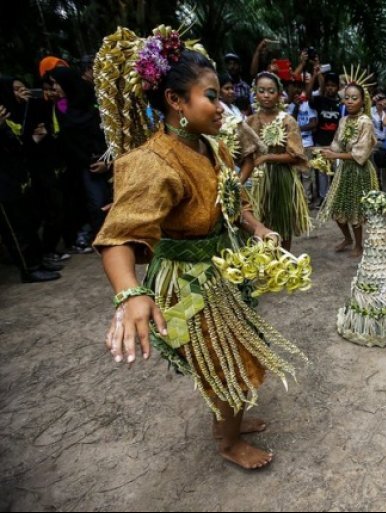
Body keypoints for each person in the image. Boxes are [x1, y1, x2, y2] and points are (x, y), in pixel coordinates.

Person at [93, 27, 306, 470]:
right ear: (176, 101)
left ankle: (227, 423)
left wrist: (259, 228)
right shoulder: (153, 162)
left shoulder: (212, 146)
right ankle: (228, 442)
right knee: (230, 362)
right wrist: (131, 294)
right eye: (211, 95)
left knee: (230, 354)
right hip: (189, 286)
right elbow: (117, 237)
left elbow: (231, 198)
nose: (221, 106)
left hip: (220, 270)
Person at [0, 78, 61, 282]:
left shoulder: (12, 114)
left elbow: (19, 143)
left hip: (17, 176)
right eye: (12, 91)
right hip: (4, 184)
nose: (18, 94)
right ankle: (29, 268)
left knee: (28, 222)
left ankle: (38, 260)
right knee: (16, 228)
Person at [245, 72, 312, 250]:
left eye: (271, 91)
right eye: (261, 91)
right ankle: (266, 258)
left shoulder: (288, 120)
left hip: (283, 177)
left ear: (279, 94)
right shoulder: (250, 121)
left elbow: (296, 155)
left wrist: (267, 157)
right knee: (260, 218)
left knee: (283, 219)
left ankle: (285, 259)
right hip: (258, 180)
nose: (266, 95)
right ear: (255, 93)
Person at [49, 66, 110, 250]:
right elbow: (67, 143)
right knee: (98, 203)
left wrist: (108, 161)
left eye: (56, 84)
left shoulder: (94, 101)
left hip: (109, 158)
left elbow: (108, 132)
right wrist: (90, 162)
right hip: (87, 164)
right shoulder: (60, 108)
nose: (54, 88)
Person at [317, 78, 379, 258]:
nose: (350, 101)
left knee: (355, 210)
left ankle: (358, 245)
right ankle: (348, 239)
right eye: (347, 98)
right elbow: (337, 143)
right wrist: (325, 150)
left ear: (362, 101)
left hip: (359, 172)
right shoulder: (343, 120)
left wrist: (335, 156)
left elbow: (361, 153)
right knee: (336, 209)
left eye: (354, 98)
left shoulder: (365, 122)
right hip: (344, 170)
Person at [306, 66, 342, 202]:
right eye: (327, 85)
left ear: (338, 87)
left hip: (337, 145)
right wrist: (315, 76)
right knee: (321, 172)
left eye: (333, 86)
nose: (329, 88)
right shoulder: (320, 101)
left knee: (337, 171)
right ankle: (323, 198)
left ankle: (336, 198)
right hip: (321, 143)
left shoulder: (342, 104)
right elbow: (308, 95)